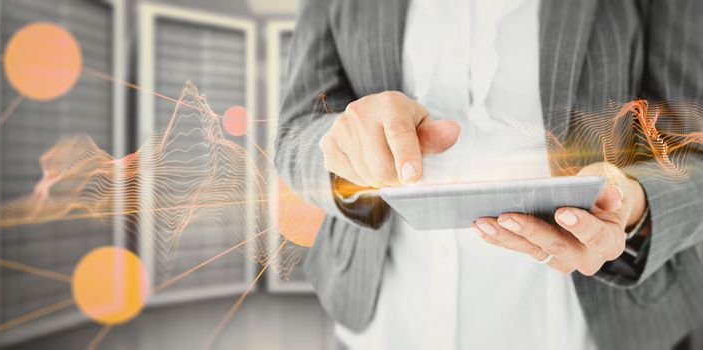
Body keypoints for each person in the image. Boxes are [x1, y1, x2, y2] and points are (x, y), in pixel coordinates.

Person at [275, 0, 703, 349]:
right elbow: (296, 131)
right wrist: (346, 148)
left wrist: (633, 203)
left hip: (593, 324)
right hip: (384, 320)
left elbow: (693, 152)